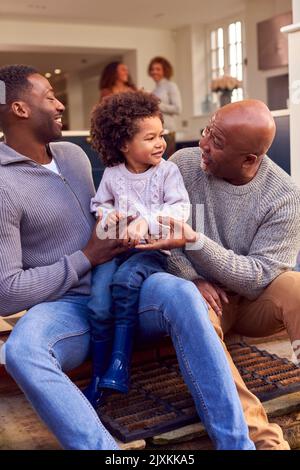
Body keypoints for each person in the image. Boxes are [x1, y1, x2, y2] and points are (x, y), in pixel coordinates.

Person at [0, 65, 256, 450]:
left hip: (131, 283)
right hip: (67, 307)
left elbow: (139, 207)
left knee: (184, 296)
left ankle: (237, 445)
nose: (58, 104)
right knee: (21, 350)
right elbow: (6, 291)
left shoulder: (73, 156)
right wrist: (86, 257)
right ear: (19, 108)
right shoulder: (3, 185)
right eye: (49, 96)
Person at [136, 99, 300, 450]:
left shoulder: (284, 197)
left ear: (249, 160)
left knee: (296, 287)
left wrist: (197, 242)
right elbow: (164, 237)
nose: (204, 144)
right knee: (192, 304)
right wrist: (190, 277)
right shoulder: (183, 165)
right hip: (203, 300)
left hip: (254, 303)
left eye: (218, 141)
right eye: (209, 130)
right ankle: (263, 440)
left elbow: (260, 276)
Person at [83, 90, 190, 407]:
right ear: (124, 144)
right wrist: (108, 214)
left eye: (162, 135)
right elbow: (99, 204)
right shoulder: (114, 175)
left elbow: (180, 209)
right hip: (115, 249)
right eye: (150, 138)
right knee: (98, 306)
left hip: (149, 250)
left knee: (125, 283)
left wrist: (146, 222)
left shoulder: (167, 172)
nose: (160, 143)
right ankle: (99, 377)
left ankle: (120, 366)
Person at [148, 56, 182, 158]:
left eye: (158, 69)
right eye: (152, 69)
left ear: (165, 71)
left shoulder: (171, 86)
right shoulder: (154, 90)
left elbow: (177, 109)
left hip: (168, 131)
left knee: (168, 162)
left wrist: (155, 103)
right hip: (156, 131)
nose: (154, 72)